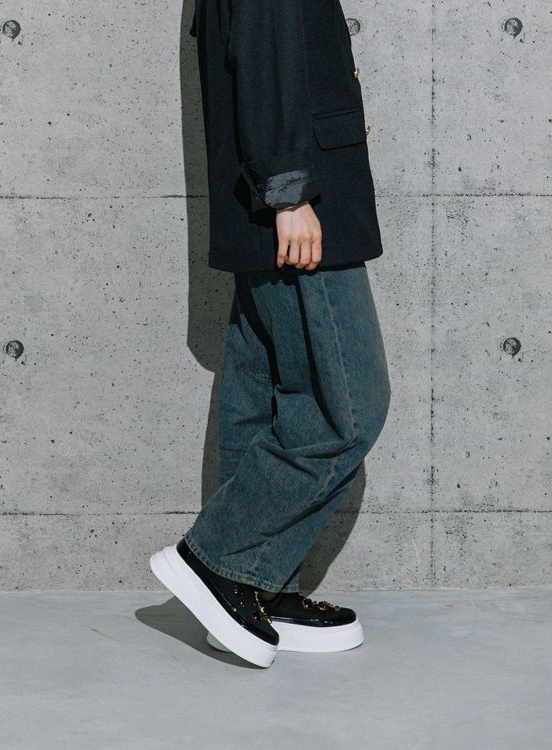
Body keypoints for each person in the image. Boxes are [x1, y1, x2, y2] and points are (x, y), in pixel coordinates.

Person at [150, 0, 391, 668]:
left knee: (266, 393)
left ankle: (258, 584)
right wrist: (289, 193)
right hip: (294, 201)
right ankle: (218, 561)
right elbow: (268, 49)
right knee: (348, 408)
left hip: (271, 197)